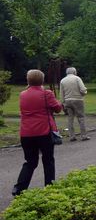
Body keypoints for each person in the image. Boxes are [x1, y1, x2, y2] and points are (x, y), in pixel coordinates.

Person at [12, 69, 63, 197]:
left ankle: (19, 188)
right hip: (44, 131)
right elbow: (57, 109)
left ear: (28, 80)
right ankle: (49, 187)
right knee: (48, 160)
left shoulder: (22, 94)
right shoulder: (47, 93)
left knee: (30, 161)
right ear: (42, 80)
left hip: (27, 133)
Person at [59, 67, 89, 141]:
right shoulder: (77, 78)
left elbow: (61, 93)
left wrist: (63, 102)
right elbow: (83, 89)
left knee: (70, 118)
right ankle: (84, 135)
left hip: (67, 101)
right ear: (74, 72)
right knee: (81, 118)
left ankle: (72, 136)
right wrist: (84, 93)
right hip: (78, 100)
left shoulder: (62, 80)